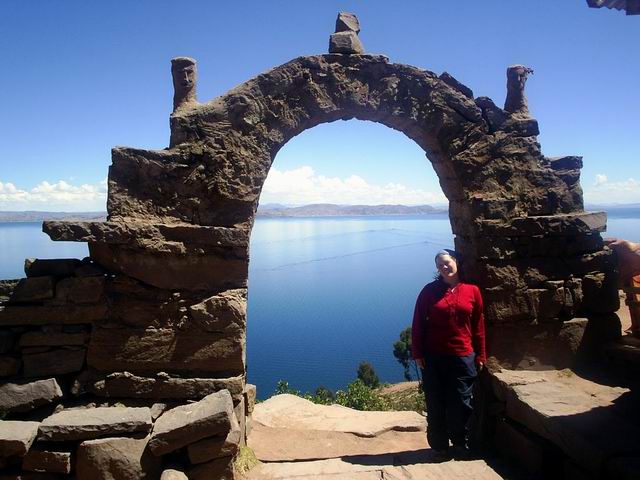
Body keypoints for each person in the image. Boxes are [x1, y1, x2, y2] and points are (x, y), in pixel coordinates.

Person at [411, 249, 486, 461]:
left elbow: (478, 325)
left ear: (455, 261)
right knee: (435, 403)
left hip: (463, 357)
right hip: (433, 357)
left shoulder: (472, 291)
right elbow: (417, 323)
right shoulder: (429, 291)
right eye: (439, 265)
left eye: (446, 262)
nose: (443, 267)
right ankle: (440, 447)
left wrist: (481, 355)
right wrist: (417, 353)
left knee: (461, 403)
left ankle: (461, 443)